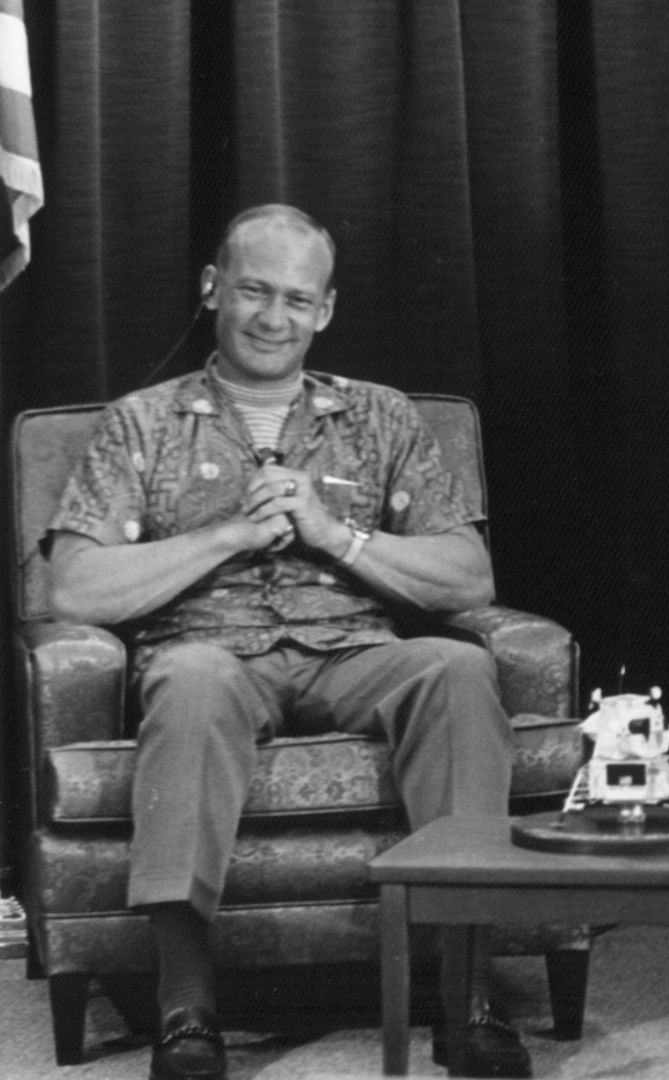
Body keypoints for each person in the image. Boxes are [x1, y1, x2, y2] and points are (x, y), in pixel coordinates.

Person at [44, 205, 530, 1080]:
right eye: (254, 292)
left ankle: (470, 998)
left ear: (327, 310)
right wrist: (229, 534)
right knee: (190, 682)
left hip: (353, 651)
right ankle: (187, 1010)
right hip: (211, 650)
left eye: (297, 300)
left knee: (457, 667)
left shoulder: (380, 418)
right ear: (212, 290)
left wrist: (335, 534)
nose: (274, 319)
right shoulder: (142, 422)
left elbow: (469, 577)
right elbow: (73, 585)